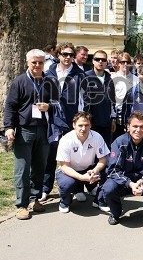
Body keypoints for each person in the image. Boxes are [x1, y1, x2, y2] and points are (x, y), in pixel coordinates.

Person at [4, 49, 59, 220]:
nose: (37, 65)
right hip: (24, 130)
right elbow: (10, 106)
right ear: (27, 62)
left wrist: (48, 107)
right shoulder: (19, 82)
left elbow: (58, 103)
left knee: (39, 167)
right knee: (22, 168)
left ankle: (36, 199)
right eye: (34, 62)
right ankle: (22, 204)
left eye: (40, 62)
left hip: (43, 129)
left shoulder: (50, 81)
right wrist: (9, 127)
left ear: (44, 63)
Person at [102, 111, 143, 225]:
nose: (138, 130)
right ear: (128, 127)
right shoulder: (119, 142)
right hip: (124, 182)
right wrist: (130, 184)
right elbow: (113, 170)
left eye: (142, 127)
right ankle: (116, 213)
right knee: (108, 188)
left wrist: (142, 181)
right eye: (135, 126)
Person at [42, 42, 86, 202]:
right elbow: (43, 95)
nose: (67, 57)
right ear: (58, 55)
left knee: (75, 156)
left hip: (71, 120)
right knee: (51, 155)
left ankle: (78, 188)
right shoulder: (48, 73)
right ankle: (45, 188)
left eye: (70, 55)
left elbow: (84, 100)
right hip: (53, 120)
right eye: (64, 54)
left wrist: (81, 119)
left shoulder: (79, 75)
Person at [55, 112, 109, 213]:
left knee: (108, 172)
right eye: (80, 125)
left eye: (86, 125)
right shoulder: (66, 139)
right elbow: (64, 166)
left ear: (90, 125)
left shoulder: (97, 137)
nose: (83, 129)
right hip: (70, 170)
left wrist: (95, 170)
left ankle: (99, 200)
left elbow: (103, 159)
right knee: (66, 184)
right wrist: (81, 177)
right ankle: (65, 201)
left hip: (89, 168)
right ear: (74, 125)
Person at [83, 50, 116, 147]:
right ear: (93, 61)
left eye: (103, 60)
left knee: (104, 150)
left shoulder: (110, 79)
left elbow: (113, 101)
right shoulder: (85, 76)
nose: (100, 62)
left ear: (107, 62)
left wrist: (113, 119)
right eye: (98, 59)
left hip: (106, 122)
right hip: (90, 122)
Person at [111, 52, 139, 140]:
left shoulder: (136, 79)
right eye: (122, 62)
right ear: (118, 63)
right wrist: (113, 117)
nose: (125, 64)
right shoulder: (113, 78)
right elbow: (110, 99)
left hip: (132, 113)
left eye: (127, 62)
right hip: (117, 113)